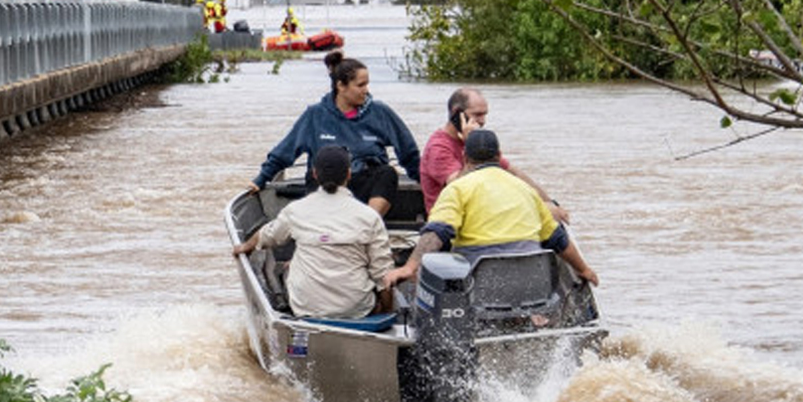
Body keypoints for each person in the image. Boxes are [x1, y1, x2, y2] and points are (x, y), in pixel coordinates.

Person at [384, 129, 598, 289]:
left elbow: (438, 232)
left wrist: (410, 267)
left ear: (465, 159)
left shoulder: (458, 188)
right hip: (532, 289)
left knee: (436, 265)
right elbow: (558, 239)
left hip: (479, 289)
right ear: (499, 156)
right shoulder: (526, 189)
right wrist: (584, 269)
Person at [234, 145, 394, 319]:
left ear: (315, 175)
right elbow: (383, 274)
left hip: (306, 308)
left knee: (291, 265)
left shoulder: (296, 210)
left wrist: (245, 246)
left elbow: (267, 236)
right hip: (356, 310)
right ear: (349, 174)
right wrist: (386, 311)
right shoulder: (369, 216)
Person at [250, 54, 420, 217]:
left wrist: (425, 181)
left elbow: (409, 153)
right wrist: (260, 180)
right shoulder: (315, 115)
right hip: (325, 188)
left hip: (364, 187)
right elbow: (284, 152)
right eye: (360, 85)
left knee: (388, 173)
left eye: (367, 85)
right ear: (341, 86)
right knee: (313, 174)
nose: (366, 91)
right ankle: (323, 223)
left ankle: (368, 224)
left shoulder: (380, 112)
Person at [421, 87, 570, 225]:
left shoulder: (478, 141)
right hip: (451, 223)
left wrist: (548, 202)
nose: (482, 121)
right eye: (477, 115)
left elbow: (514, 172)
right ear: (457, 114)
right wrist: (469, 146)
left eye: (485, 115)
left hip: (480, 214)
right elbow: (458, 186)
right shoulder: (439, 148)